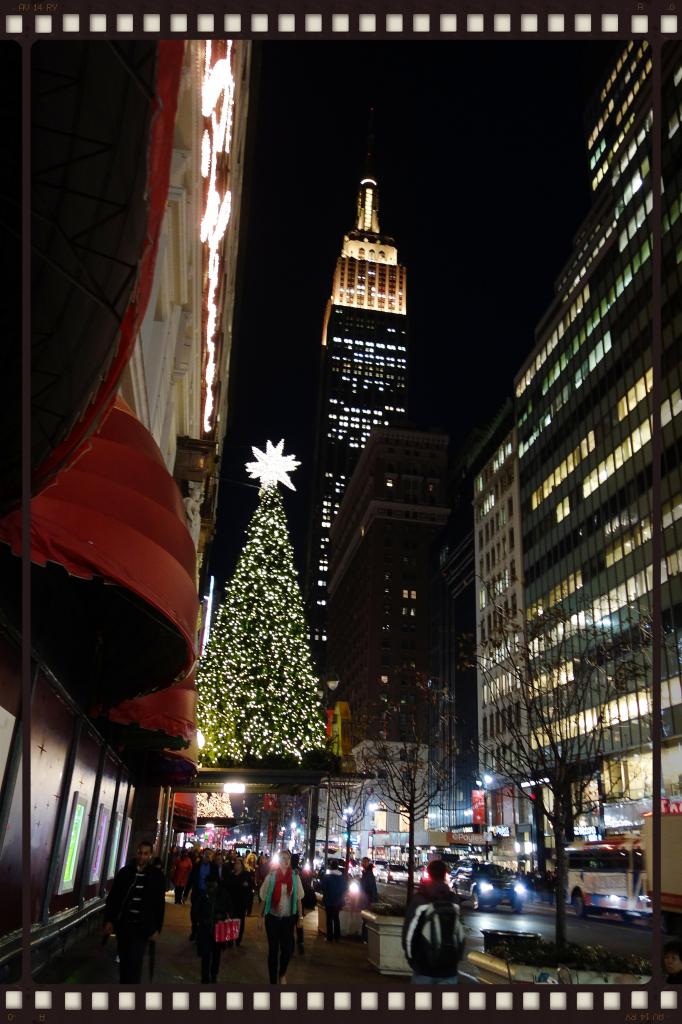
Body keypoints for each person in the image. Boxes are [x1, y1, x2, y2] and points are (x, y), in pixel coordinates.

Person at [102, 840, 166, 984]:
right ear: (136, 852)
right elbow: (114, 898)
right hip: (124, 925)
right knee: (124, 961)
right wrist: (109, 920)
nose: (142, 856)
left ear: (151, 855)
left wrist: (157, 927)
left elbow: (159, 904)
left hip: (142, 927)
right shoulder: (125, 873)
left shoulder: (156, 876)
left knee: (135, 963)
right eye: (140, 853)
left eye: (146, 854)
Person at [402, 859, 465, 985]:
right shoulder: (454, 900)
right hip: (449, 969)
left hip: (424, 968)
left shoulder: (419, 900)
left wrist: (413, 961)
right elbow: (460, 934)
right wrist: (456, 959)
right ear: (445, 874)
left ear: (428, 874)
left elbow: (408, 936)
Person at [258, 850, 304, 985]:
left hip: (288, 919)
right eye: (282, 858)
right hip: (272, 918)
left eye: (287, 858)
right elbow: (264, 898)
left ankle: (282, 972)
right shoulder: (271, 877)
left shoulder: (295, 878)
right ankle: (273, 981)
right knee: (273, 950)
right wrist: (260, 918)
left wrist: (300, 918)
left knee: (287, 950)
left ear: (290, 860)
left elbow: (298, 899)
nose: (285, 860)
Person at [195, 863, 231, 983]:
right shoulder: (203, 895)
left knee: (215, 955)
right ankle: (206, 976)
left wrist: (221, 917)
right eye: (209, 883)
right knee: (206, 955)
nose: (210, 886)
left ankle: (213, 974)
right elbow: (197, 911)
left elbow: (228, 909)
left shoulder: (222, 894)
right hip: (206, 928)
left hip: (217, 928)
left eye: (212, 883)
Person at [225, 856, 252, 947]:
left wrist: (248, 906)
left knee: (240, 921)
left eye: (238, 863)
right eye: (235, 863)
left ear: (241, 865)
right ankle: (230, 939)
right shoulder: (231, 875)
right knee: (230, 920)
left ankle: (238, 939)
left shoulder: (246, 875)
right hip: (231, 902)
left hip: (241, 902)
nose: (236, 865)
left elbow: (249, 890)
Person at [188, 848, 214, 941]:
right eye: (206, 854)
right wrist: (186, 892)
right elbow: (191, 878)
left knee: (206, 914)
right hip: (197, 892)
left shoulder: (213, 867)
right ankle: (194, 930)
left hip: (208, 894)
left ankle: (203, 933)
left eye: (209, 854)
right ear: (202, 855)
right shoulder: (197, 865)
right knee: (194, 913)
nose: (207, 856)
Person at [320, 859, 348, 943]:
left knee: (329, 919)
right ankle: (337, 937)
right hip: (338, 901)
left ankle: (329, 937)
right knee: (336, 918)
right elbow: (345, 888)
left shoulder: (327, 877)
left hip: (329, 901)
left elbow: (323, 887)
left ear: (331, 866)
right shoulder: (341, 877)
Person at [359, 857, 379, 942]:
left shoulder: (368, 874)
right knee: (366, 919)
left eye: (364, 862)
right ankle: (366, 938)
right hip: (368, 899)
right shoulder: (367, 873)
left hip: (368, 900)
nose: (362, 864)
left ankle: (366, 939)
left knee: (366, 920)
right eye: (363, 862)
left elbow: (367, 887)